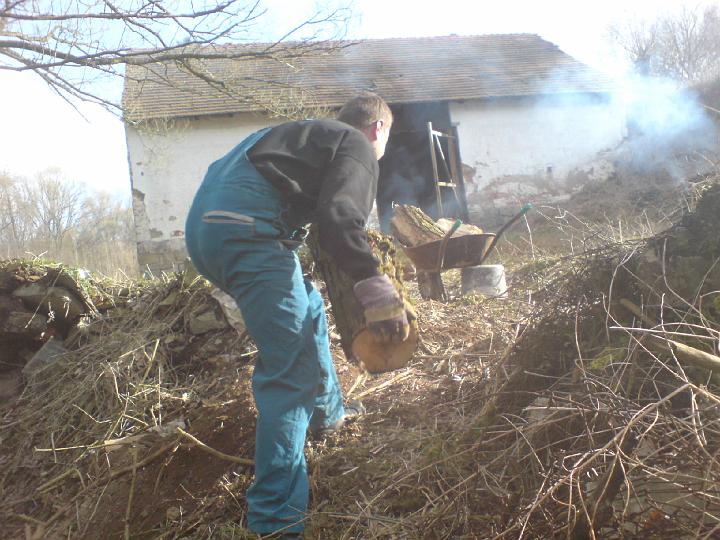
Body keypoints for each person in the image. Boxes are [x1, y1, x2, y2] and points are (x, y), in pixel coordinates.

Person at [184, 92, 410, 538]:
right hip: (249, 231)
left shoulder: (298, 136)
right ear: (378, 128)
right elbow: (340, 217)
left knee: (308, 308)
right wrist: (374, 284)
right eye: (384, 140)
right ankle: (276, 522)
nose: (380, 151)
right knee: (290, 375)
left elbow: (323, 224)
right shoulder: (356, 143)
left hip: (207, 233)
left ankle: (329, 415)